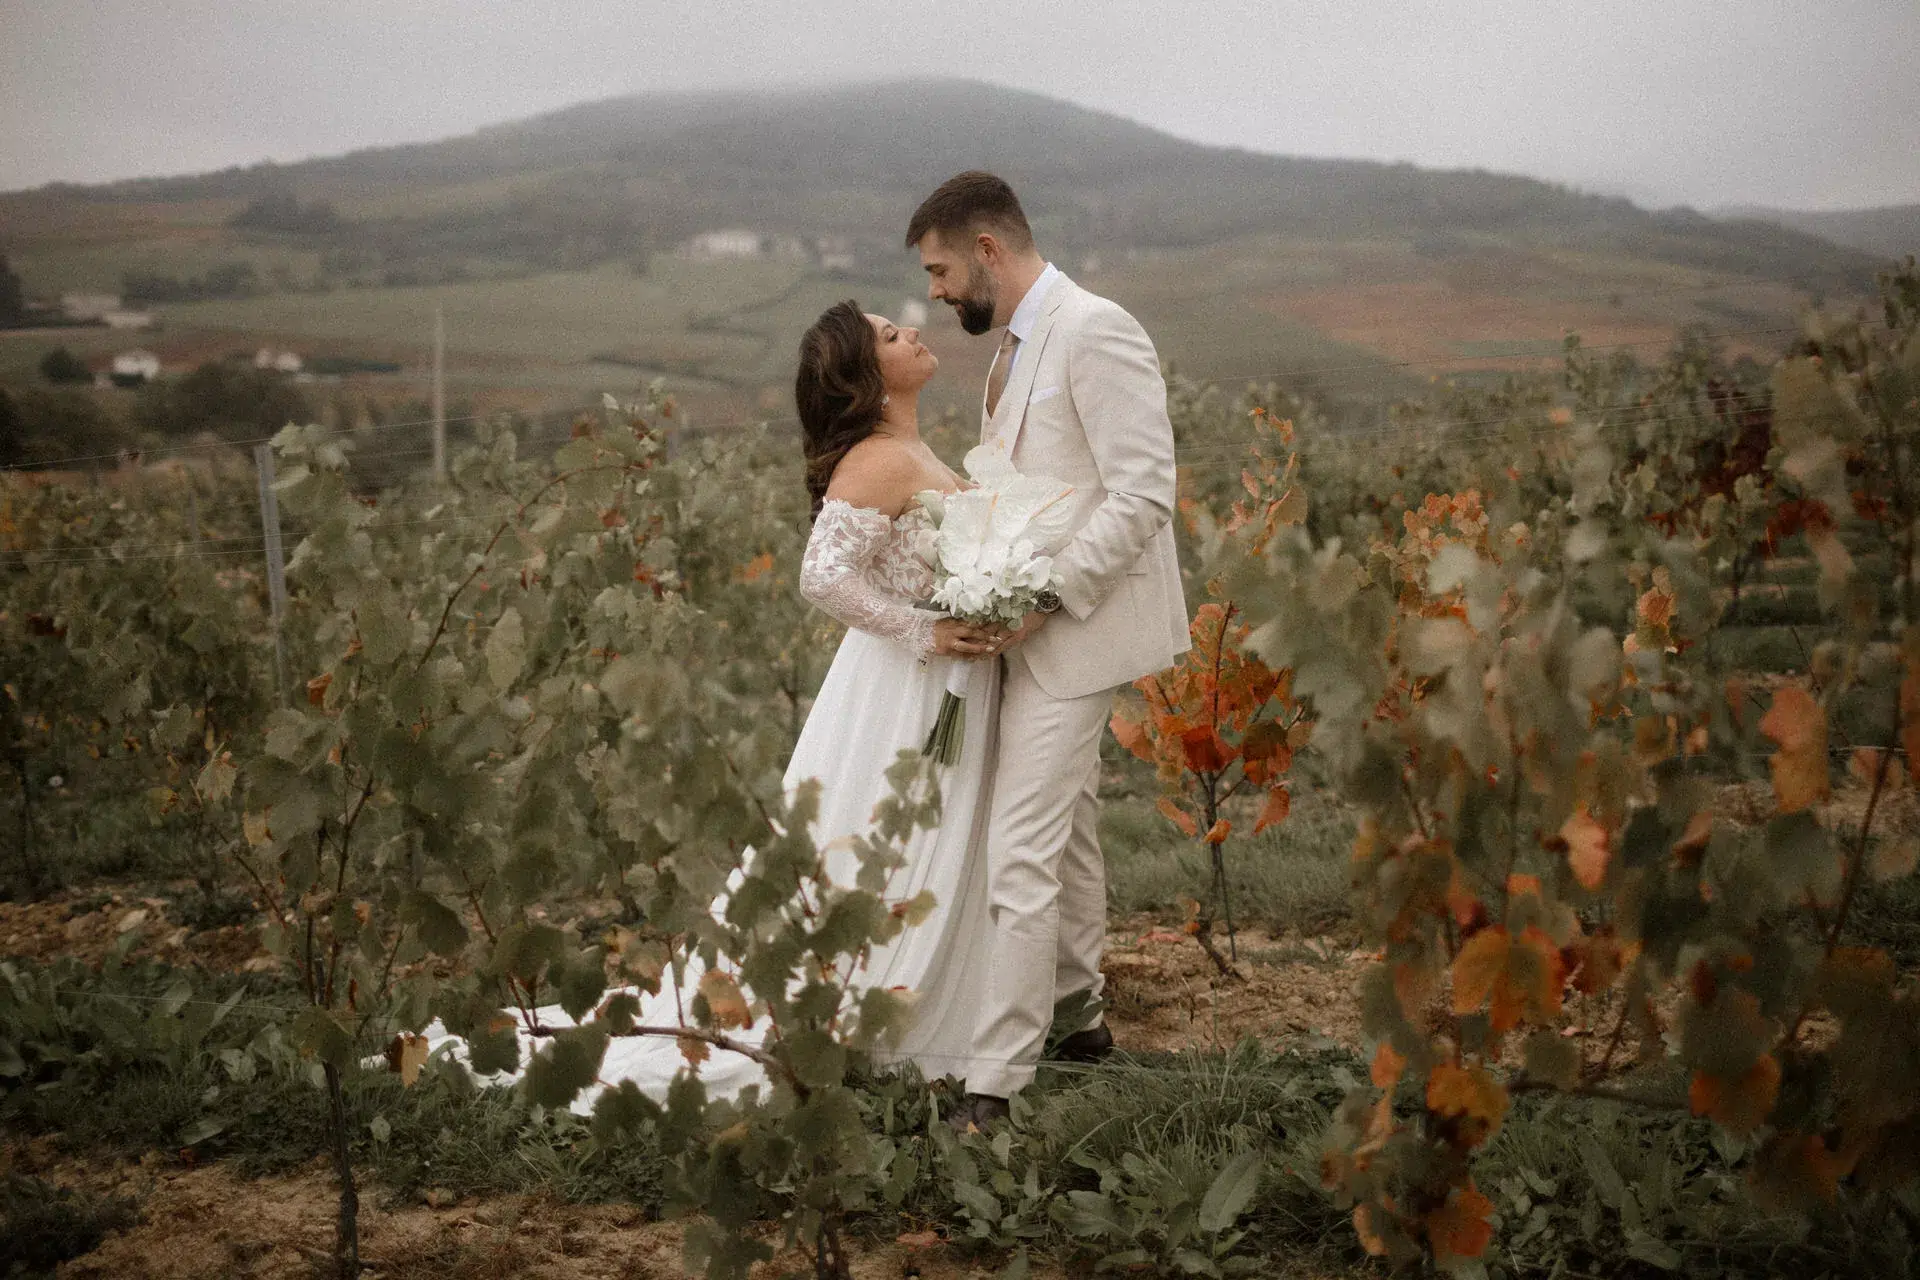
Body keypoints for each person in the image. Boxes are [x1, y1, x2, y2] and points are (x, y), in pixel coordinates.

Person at [414, 301, 1009, 1107]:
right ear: (862, 376)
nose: (909, 331)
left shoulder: (906, 446)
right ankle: (862, 1013)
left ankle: (932, 1011)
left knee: (924, 837)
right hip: (901, 687)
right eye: (885, 335)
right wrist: (923, 633)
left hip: (935, 680)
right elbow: (820, 577)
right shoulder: (877, 458)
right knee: (878, 837)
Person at [907, 171, 1189, 1133]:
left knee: (1019, 846)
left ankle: (994, 1086)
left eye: (942, 269)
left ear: (988, 249)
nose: (937, 293)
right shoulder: (1014, 352)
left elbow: (1144, 495)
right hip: (1023, 626)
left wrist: (1045, 601)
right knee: (1068, 832)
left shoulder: (1096, 328)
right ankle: (1081, 1025)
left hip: (1075, 627)